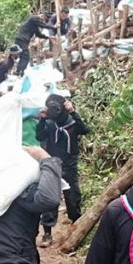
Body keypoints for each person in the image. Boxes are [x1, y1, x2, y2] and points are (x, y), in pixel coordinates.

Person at [34, 94, 89, 247]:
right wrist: (42, 120)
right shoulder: (50, 123)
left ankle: (76, 228)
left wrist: (73, 112)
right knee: (50, 199)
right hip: (53, 165)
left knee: (72, 198)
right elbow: (39, 136)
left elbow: (85, 130)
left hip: (69, 165)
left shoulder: (72, 122)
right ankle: (47, 234)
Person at [13, 12, 51, 76]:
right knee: (25, 57)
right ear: (42, 16)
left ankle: (18, 71)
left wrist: (48, 37)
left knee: (23, 57)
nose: (42, 22)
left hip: (22, 40)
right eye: (43, 20)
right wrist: (54, 26)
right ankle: (20, 72)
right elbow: (44, 26)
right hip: (22, 40)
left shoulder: (34, 25)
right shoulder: (33, 18)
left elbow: (39, 34)